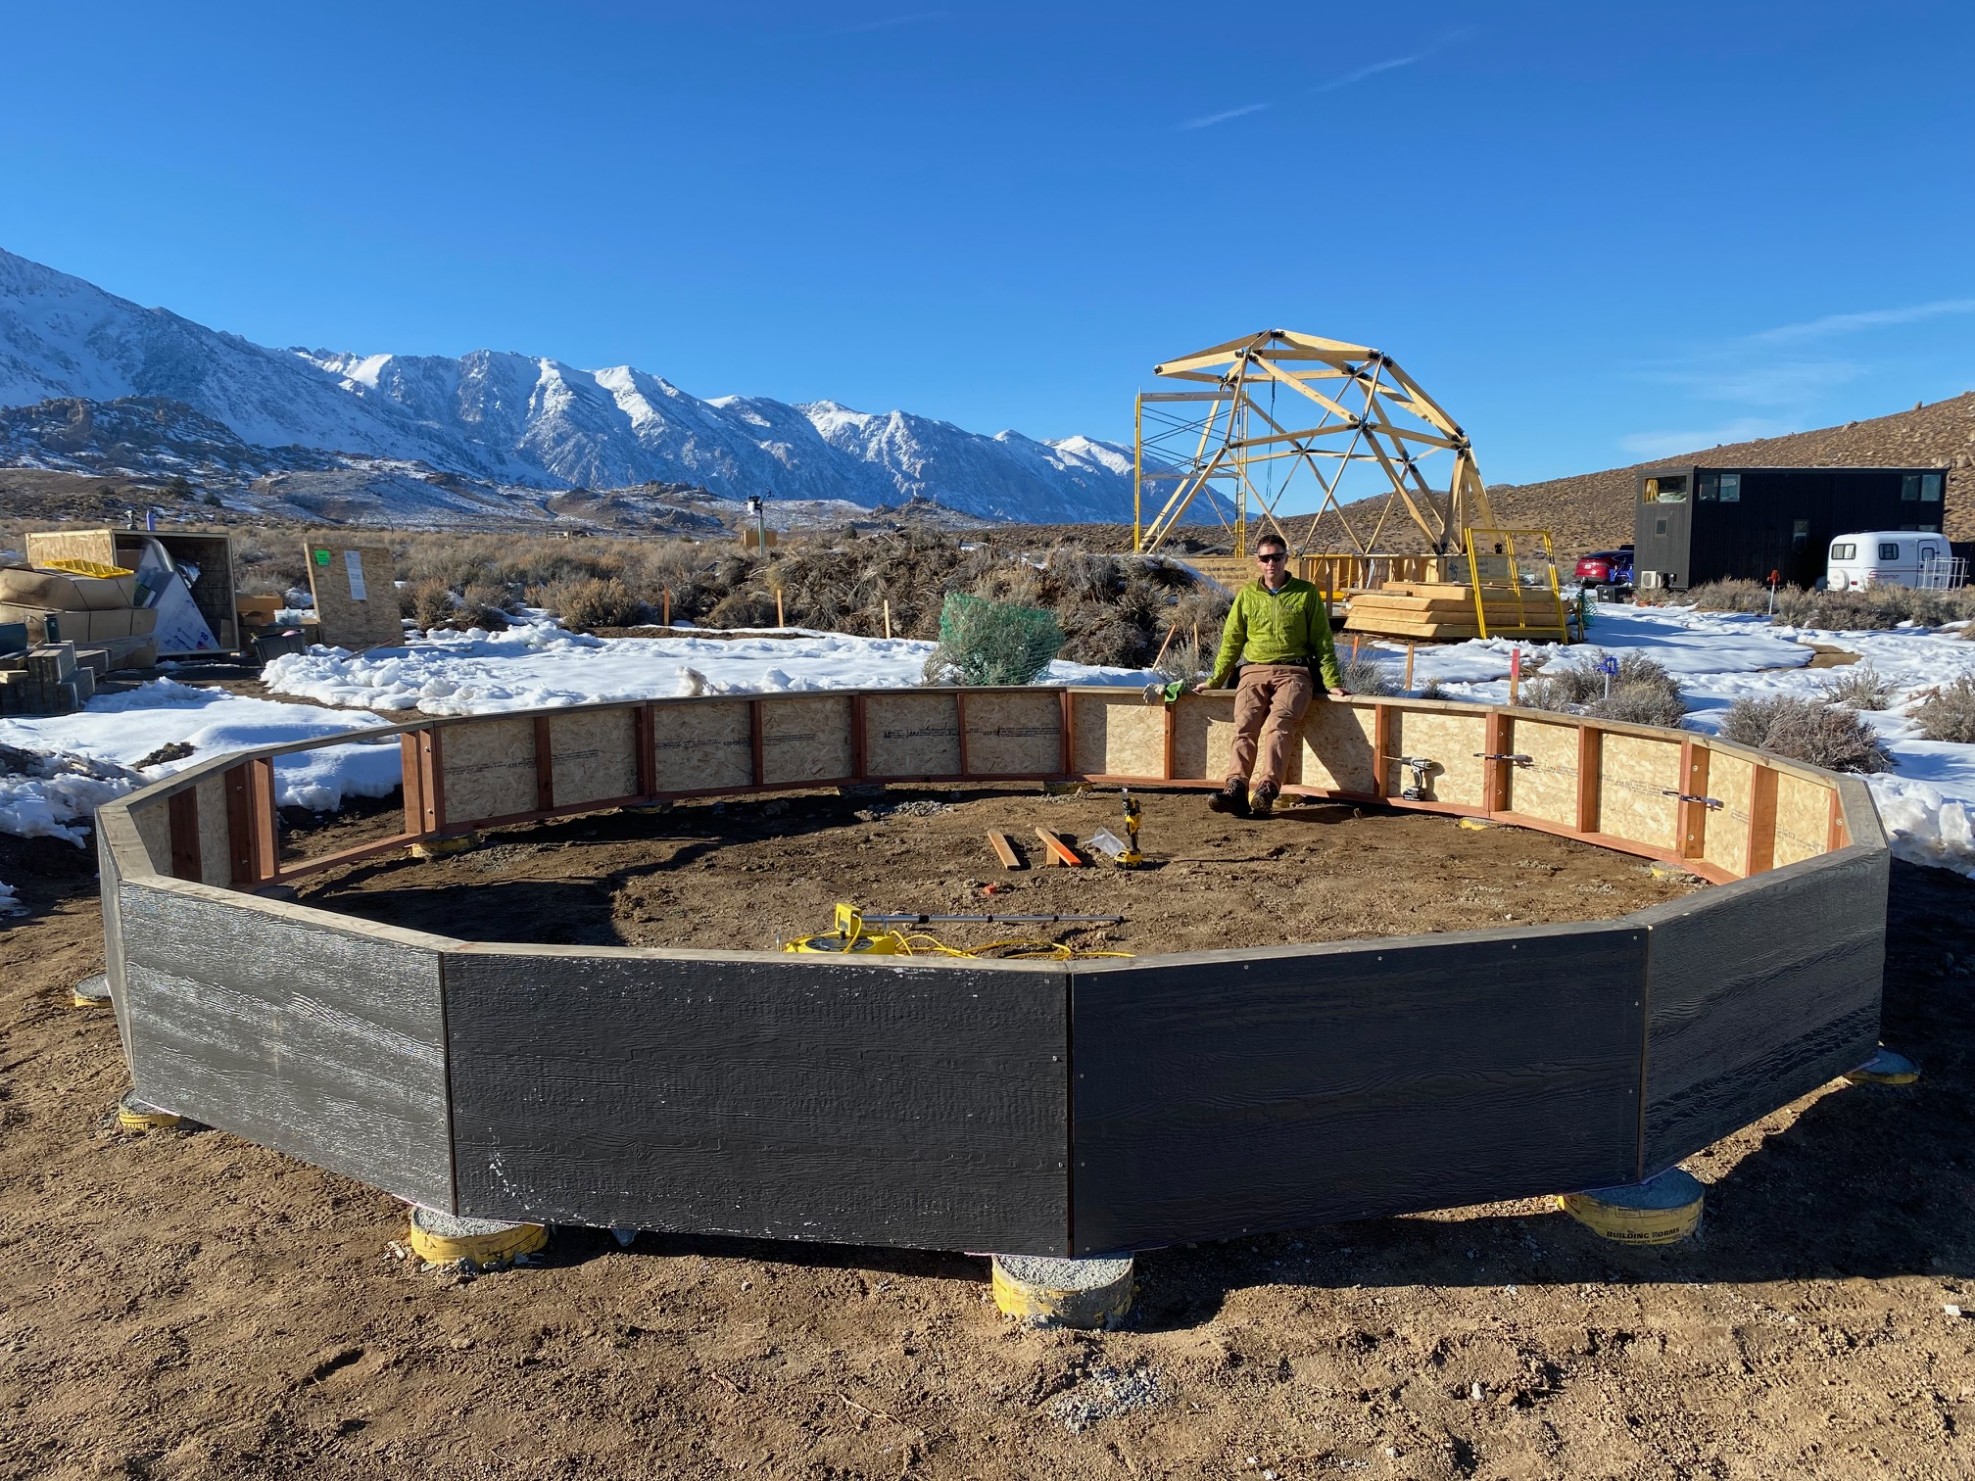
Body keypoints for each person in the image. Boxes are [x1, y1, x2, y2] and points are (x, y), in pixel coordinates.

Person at [1204, 533, 1346, 817]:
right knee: (1245, 725)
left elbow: (1322, 640)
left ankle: (1268, 789)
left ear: (1285, 559)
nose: (1272, 563)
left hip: (1295, 671)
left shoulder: (1305, 593)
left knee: (1279, 724)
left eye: (1277, 557)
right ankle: (1236, 789)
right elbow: (1232, 640)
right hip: (1253, 670)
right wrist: (1214, 680)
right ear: (1258, 562)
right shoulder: (1247, 595)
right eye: (1266, 558)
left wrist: (1332, 682)